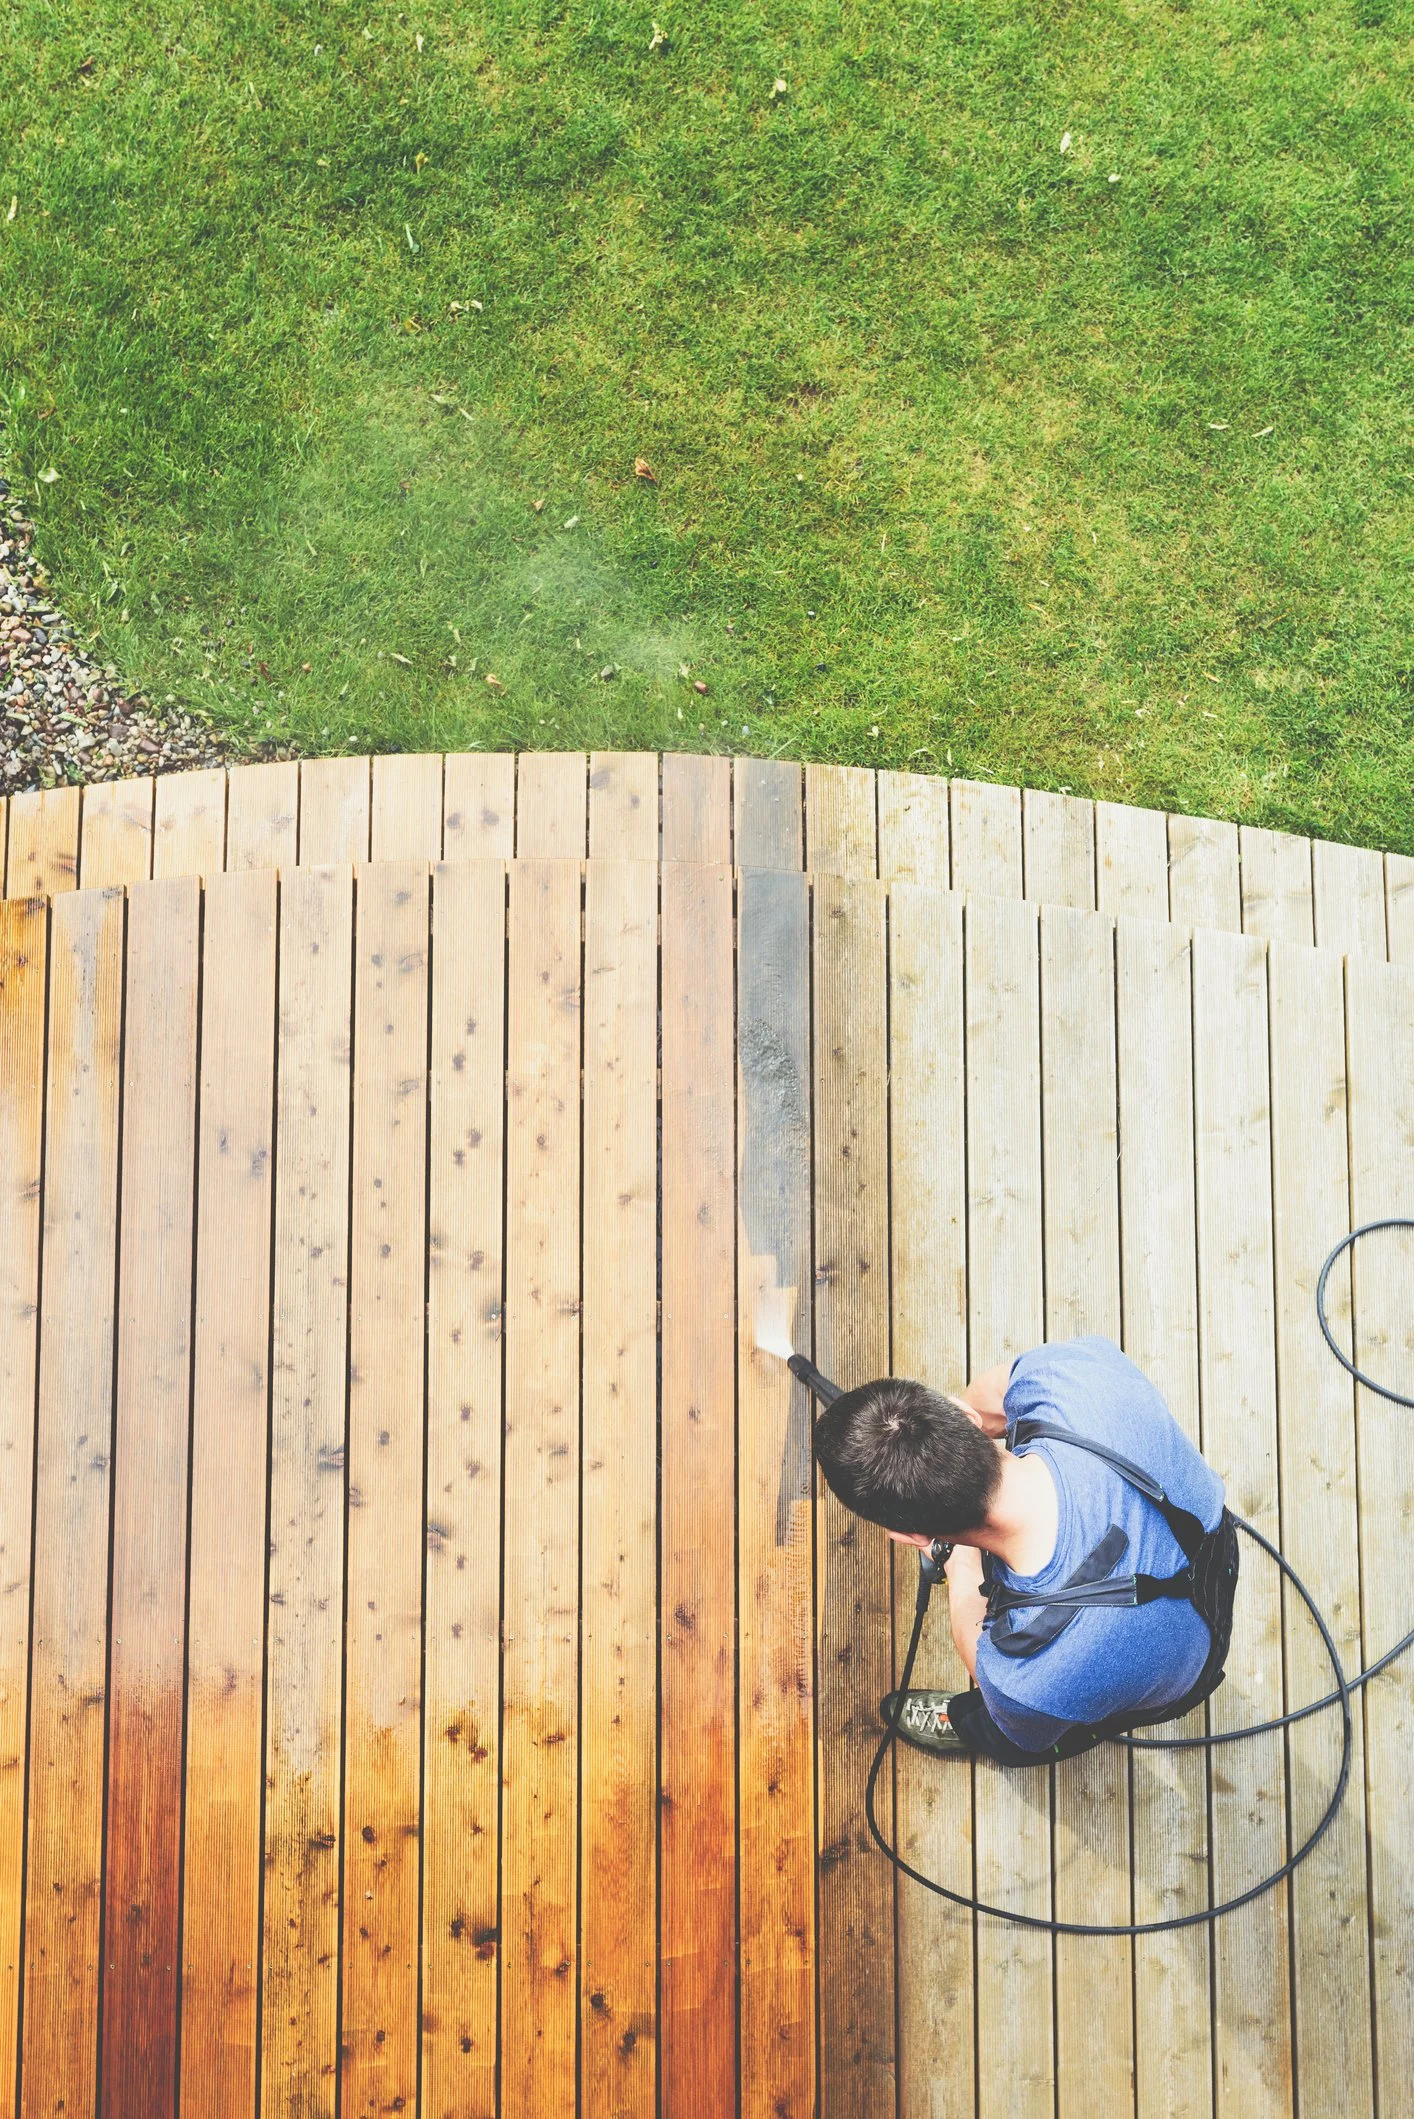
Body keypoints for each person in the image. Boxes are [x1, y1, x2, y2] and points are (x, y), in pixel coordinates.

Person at [812, 1335, 1239, 1764]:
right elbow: (997, 1394)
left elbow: (982, 1661)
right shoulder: (1071, 1376)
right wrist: (946, 1452)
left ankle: (962, 1722)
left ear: (913, 1537)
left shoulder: (1023, 1671)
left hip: (1178, 1681)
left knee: (1007, 1729)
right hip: (1216, 1555)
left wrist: (961, 1563)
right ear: (962, 1415)